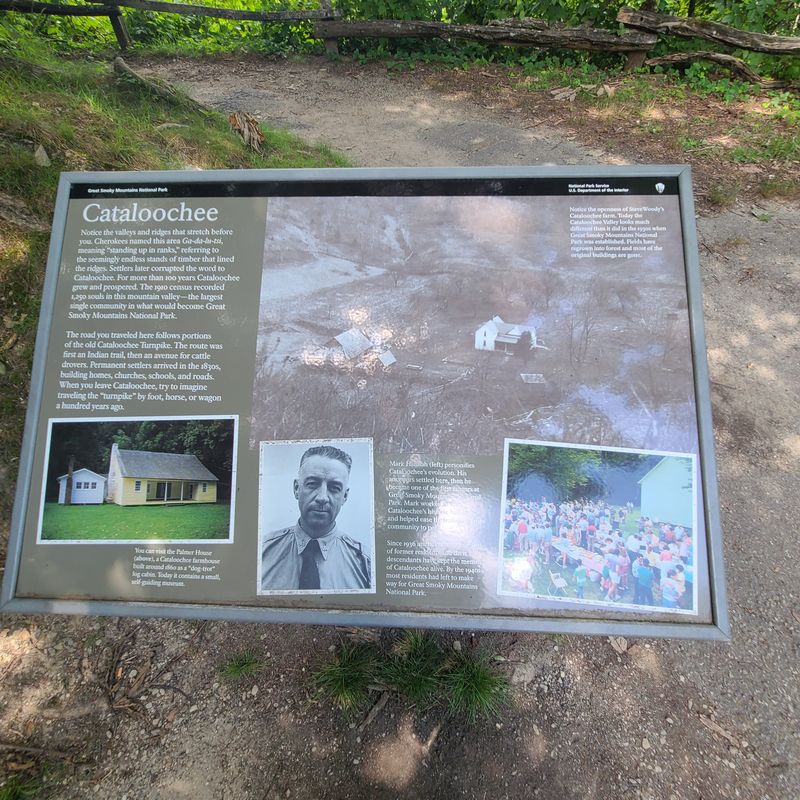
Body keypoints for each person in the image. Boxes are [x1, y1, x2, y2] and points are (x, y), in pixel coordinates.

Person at [261, 445, 371, 592]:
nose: (322, 497)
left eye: (334, 488)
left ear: (345, 496)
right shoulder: (263, 552)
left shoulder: (366, 564)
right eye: (312, 484)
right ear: (296, 489)